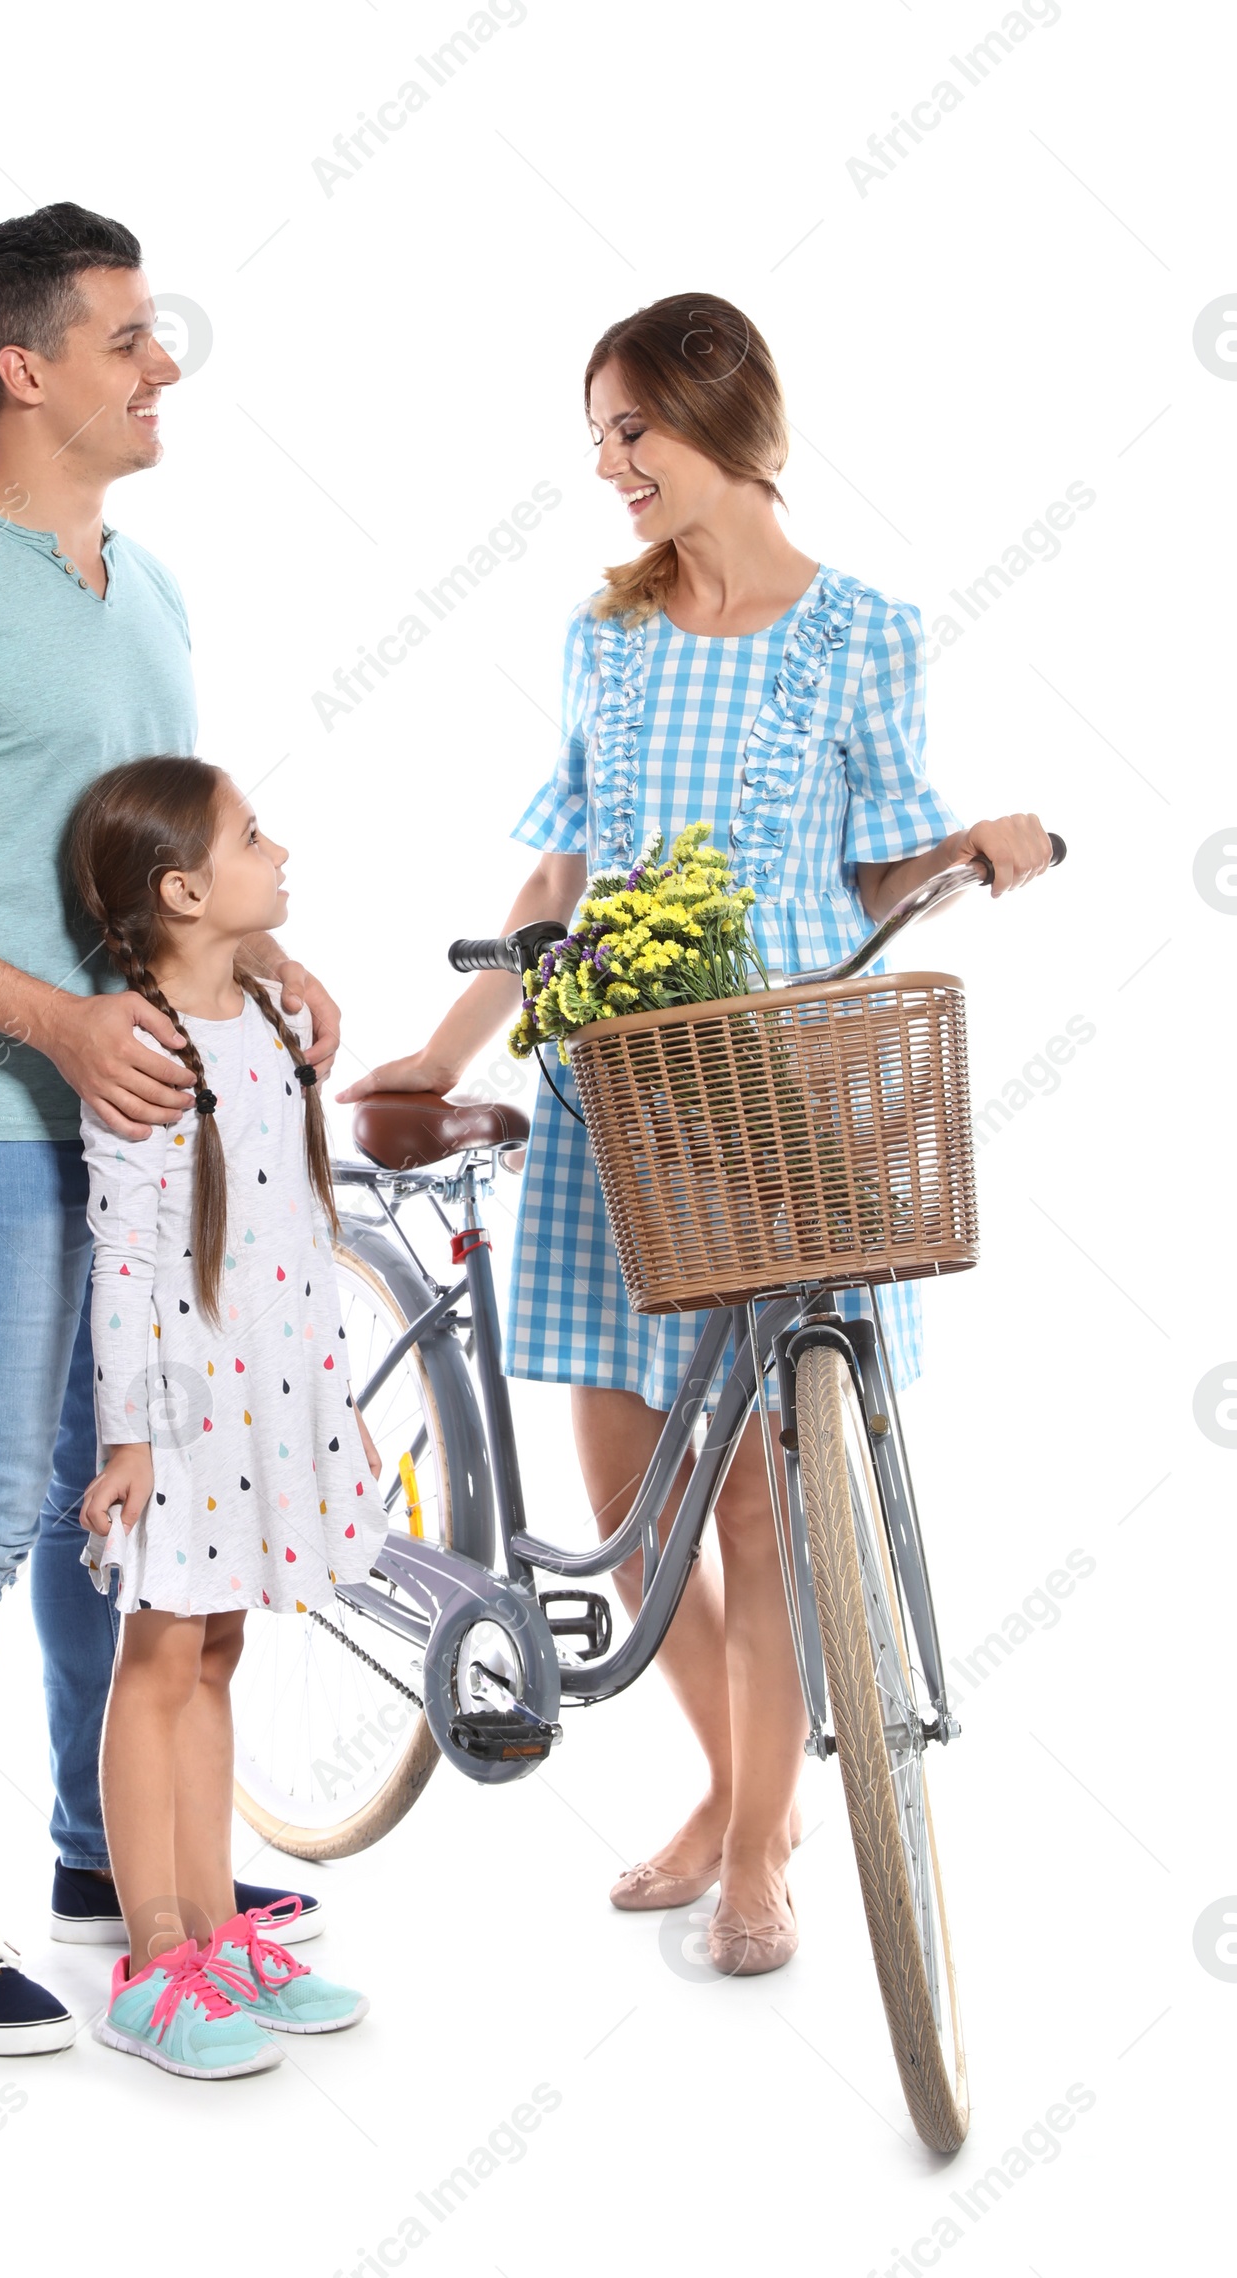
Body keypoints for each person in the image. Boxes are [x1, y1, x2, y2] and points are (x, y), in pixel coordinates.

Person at [340, 293, 1052, 1975]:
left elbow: (878, 868)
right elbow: (558, 877)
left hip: (788, 1099)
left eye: (628, 431)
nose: (609, 466)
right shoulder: (611, 636)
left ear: (717, 416)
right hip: (614, 1107)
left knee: (753, 1506)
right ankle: (747, 1788)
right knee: (630, 1515)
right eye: (595, 437)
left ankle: (754, 1856)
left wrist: (972, 849)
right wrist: (438, 1042)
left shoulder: (864, 632)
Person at [0, 203, 338, 2055]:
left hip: (163, 1139)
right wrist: (50, 1023)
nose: (162, 363)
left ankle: (119, 1869)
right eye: (127, 338)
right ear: (26, 370)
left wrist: (274, 965)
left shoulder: (150, 582)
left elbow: (154, 864)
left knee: (134, 1506)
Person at [68, 756, 382, 2078]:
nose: (280, 847)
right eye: (255, 836)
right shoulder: (141, 1047)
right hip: (184, 1410)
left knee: (214, 1654)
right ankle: (149, 1957)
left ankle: (210, 1922)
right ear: (187, 889)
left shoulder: (259, 1018)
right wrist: (128, 1434)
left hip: (267, 1399)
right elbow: (126, 1251)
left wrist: (336, 1398)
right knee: (158, 1661)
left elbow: (306, 1232)